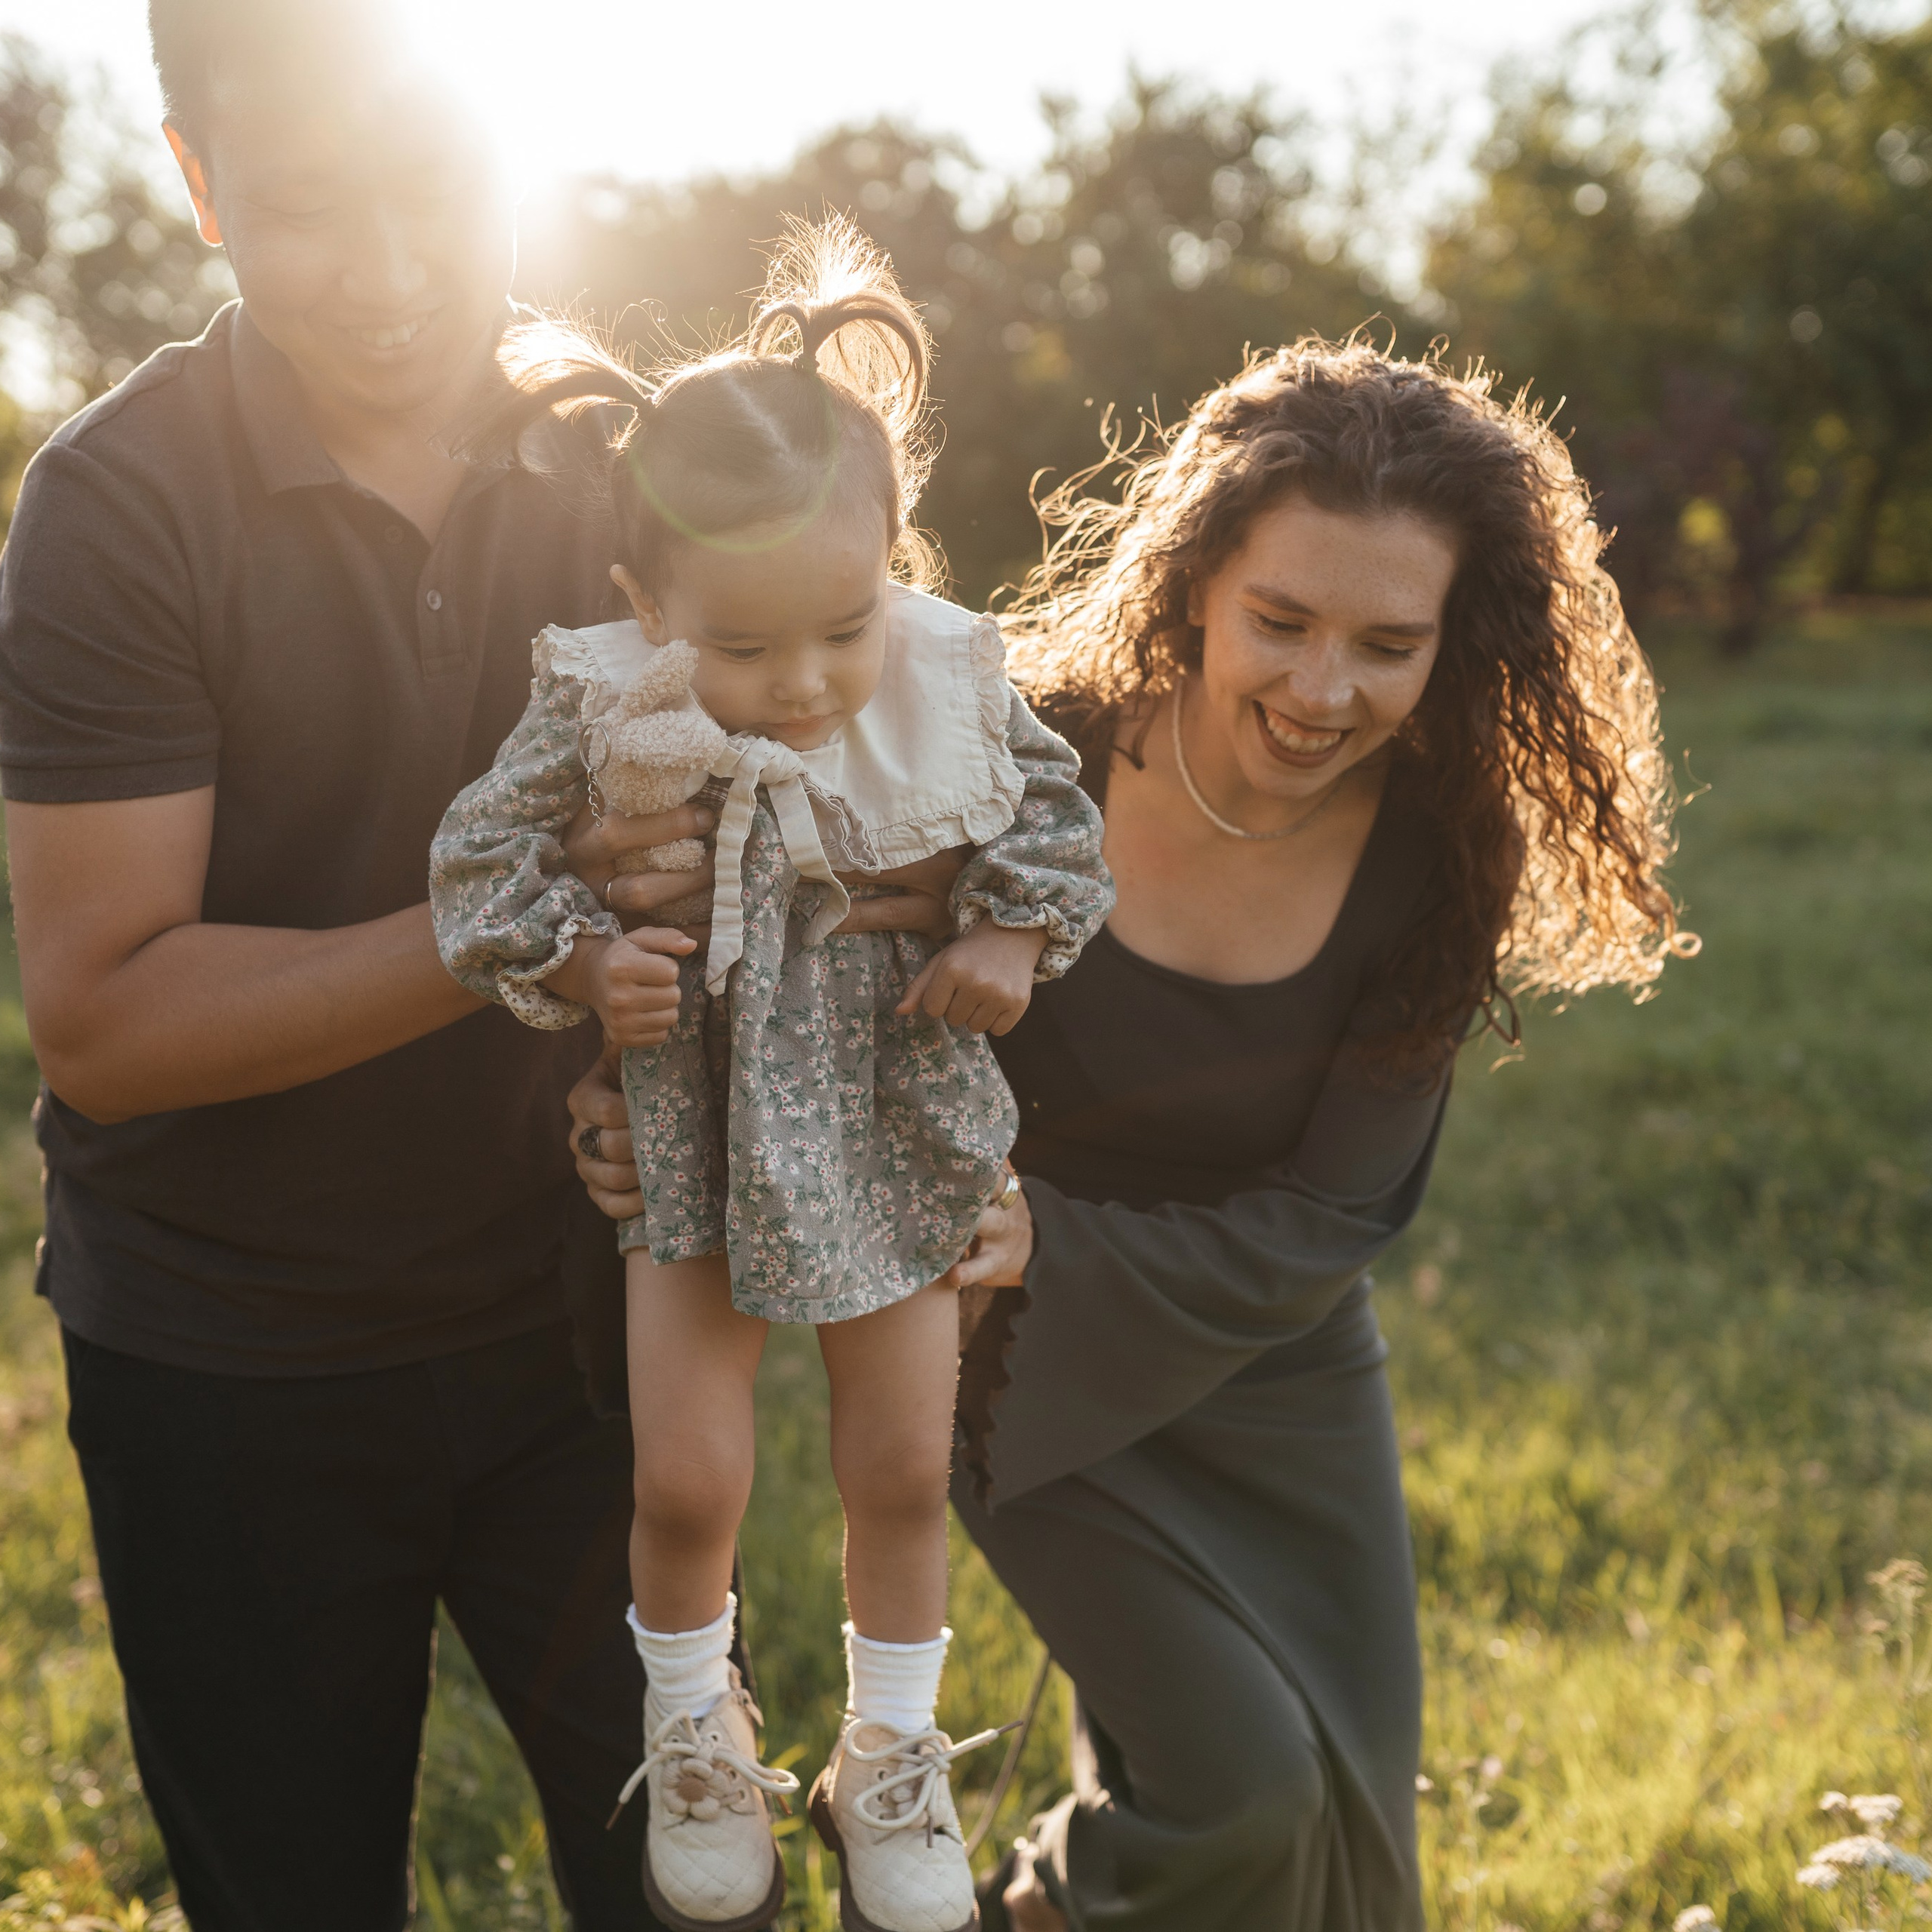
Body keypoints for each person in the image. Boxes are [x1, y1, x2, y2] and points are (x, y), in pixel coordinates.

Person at [0, 3, 935, 1925]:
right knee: (297, 1888)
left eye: (437, 188)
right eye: (307, 208)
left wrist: (913, 1144)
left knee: (704, 1895)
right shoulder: (111, 508)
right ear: (197, 184)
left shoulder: (626, 468)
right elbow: (104, 1020)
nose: (397, 272)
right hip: (231, 1349)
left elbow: (848, 807)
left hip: (578, 1324)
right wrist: (522, 933)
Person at [571, 337, 1692, 1931]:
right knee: (1241, 1788)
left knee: (1350, 1823)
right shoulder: (1000, 750)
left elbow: (1334, 1211)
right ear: (1195, 583)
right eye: (1280, 621)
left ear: (1455, 644)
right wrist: (617, 1092)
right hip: (1001, 1336)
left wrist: (1070, 1235)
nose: (1321, 690)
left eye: (1386, 642)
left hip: (1270, 1348)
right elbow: (747, 921)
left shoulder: (1443, 844)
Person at [430, 224, 1113, 1932]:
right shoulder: (603, 707)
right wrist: (589, 961)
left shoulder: (947, 679)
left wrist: (1010, 943)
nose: (802, 684)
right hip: (691, 1133)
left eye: (839, 624)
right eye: (742, 647)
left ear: (891, 563)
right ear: (646, 606)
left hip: (890, 1116)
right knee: (688, 1475)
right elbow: (474, 870)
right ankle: (697, 1728)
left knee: (896, 1461)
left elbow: (1056, 825)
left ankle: (886, 1751)